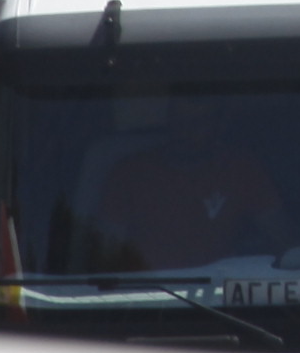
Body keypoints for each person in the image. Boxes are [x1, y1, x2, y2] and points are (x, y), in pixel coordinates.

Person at [93, 94, 284, 272]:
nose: (185, 131)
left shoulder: (241, 170)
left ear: (219, 125)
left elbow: (283, 240)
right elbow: (107, 256)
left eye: (198, 123)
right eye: (179, 120)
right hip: (147, 295)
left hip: (218, 296)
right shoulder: (129, 173)